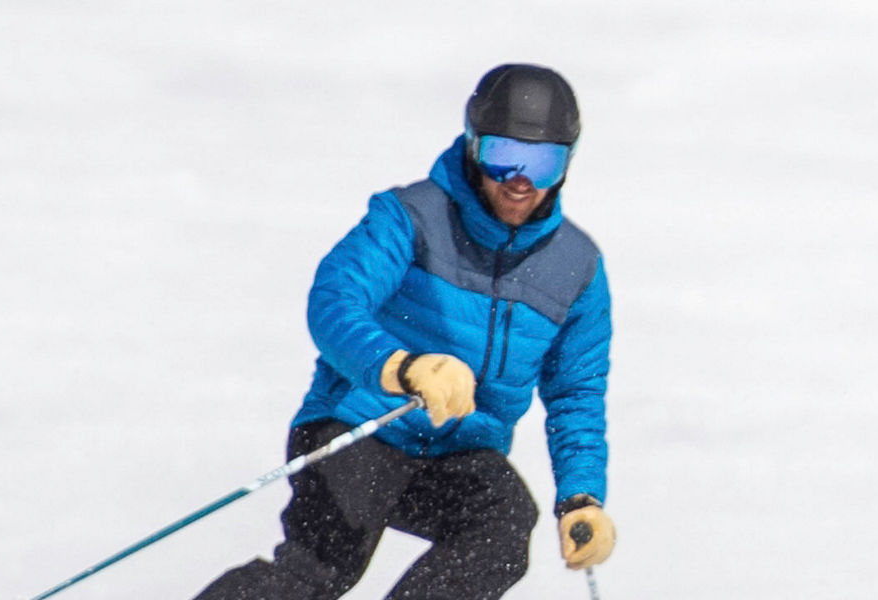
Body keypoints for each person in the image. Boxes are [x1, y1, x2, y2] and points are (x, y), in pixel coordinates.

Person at [195, 63, 616, 600]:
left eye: (543, 162)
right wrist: (402, 368)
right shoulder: (411, 217)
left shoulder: (576, 267)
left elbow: (576, 393)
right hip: (361, 424)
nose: (520, 180)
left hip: (455, 452)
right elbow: (335, 300)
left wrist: (582, 497)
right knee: (324, 569)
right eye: (503, 155)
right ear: (473, 145)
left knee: (503, 524)